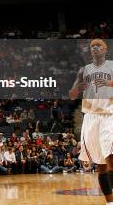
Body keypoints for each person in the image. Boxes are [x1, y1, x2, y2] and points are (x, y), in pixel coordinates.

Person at [69, 38, 113, 205]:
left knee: (110, 157)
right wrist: (77, 88)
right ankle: (110, 202)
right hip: (90, 117)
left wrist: (108, 83)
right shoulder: (84, 70)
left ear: (105, 49)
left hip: (109, 115)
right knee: (100, 163)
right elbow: (72, 94)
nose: (95, 48)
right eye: (92, 46)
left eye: (99, 45)